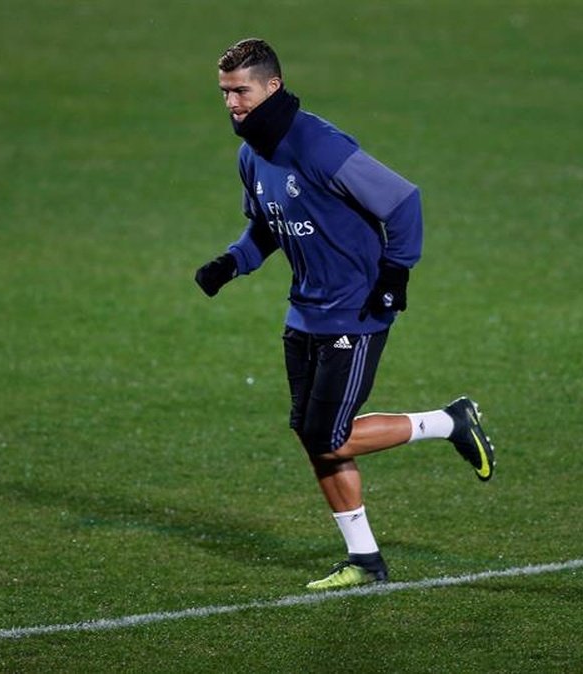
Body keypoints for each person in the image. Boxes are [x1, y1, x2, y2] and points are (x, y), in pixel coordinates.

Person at [194, 38, 496, 590]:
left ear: (272, 87)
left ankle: (450, 421)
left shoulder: (319, 146)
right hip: (304, 312)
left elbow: (403, 201)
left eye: (241, 91)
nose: (233, 103)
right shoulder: (251, 154)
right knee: (312, 435)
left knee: (327, 435)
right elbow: (268, 225)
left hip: (354, 312)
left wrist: (394, 277)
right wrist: (231, 263)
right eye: (224, 93)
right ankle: (365, 559)